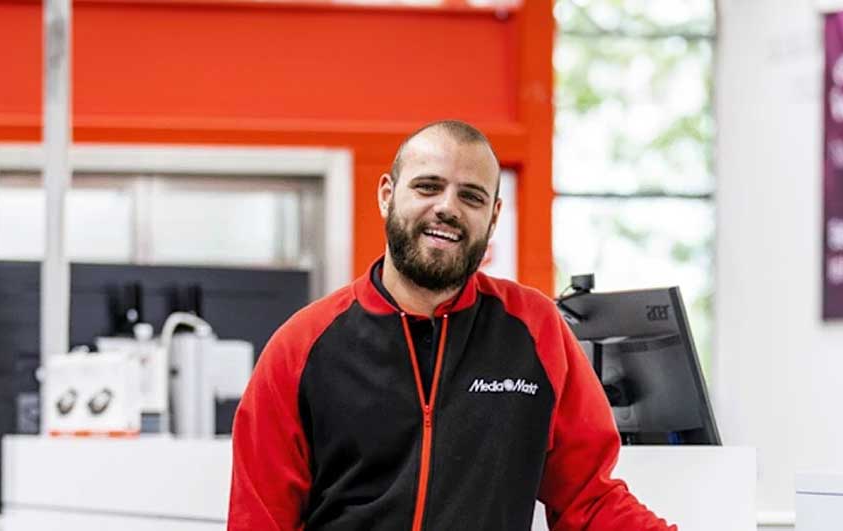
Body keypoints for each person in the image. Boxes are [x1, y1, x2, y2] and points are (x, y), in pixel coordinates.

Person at [228, 120, 675, 530]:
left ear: (493, 216)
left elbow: (589, 502)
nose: (447, 208)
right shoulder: (301, 347)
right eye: (428, 187)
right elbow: (259, 519)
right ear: (387, 195)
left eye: (471, 196)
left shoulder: (535, 332)